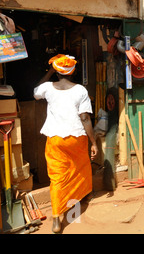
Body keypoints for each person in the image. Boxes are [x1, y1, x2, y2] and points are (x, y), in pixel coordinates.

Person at [34, 54, 97, 233]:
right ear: (73, 71)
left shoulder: (47, 88)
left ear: (57, 70)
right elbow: (85, 118)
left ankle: (56, 218)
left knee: (57, 177)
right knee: (81, 166)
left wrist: (49, 72)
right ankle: (84, 195)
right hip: (76, 137)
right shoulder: (80, 91)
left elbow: (35, 91)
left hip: (55, 139)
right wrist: (93, 142)